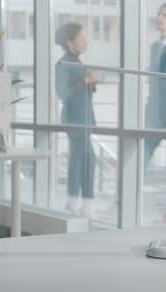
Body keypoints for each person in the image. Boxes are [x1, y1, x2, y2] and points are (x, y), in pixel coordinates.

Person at [55, 23, 98, 218]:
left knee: (79, 159)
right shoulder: (64, 63)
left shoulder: (77, 61)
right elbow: (63, 92)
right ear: (69, 42)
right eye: (81, 38)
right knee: (88, 158)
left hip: (83, 119)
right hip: (74, 120)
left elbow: (82, 91)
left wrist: (91, 82)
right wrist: (85, 81)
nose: (85, 42)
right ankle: (86, 203)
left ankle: (74, 201)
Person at [144, 3, 166, 223]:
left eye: (165, 15)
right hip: (154, 117)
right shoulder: (155, 47)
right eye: (158, 14)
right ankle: (123, 200)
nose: (159, 18)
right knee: (139, 155)